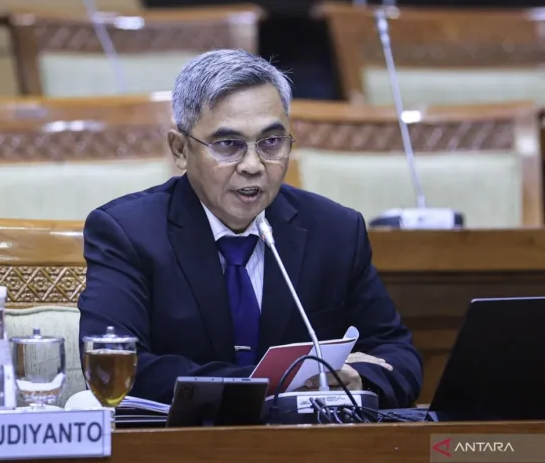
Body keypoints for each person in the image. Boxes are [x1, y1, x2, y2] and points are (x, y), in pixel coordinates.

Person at [78, 49, 422, 409]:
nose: (253, 165)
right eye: (229, 145)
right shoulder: (127, 233)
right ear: (180, 149)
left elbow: (398, 356)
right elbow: (118, 367)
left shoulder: (334, 230)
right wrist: (280, 383)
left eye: (271, 142)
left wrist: (359, 378)